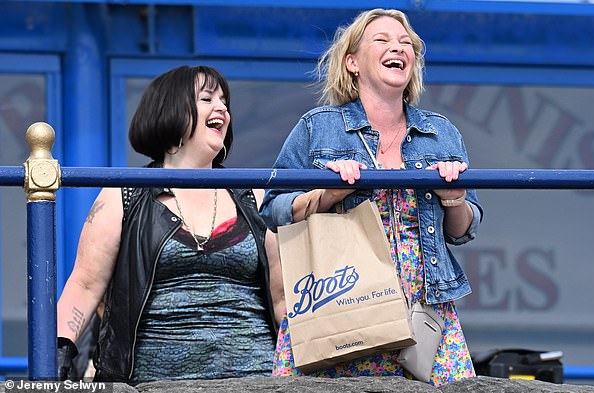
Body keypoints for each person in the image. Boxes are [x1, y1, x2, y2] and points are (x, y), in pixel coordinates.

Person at [259, 8, 483, 386]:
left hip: (424, 308)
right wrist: (326, 195)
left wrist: (454, 199)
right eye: (381, 40)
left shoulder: (442, 133)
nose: (398, 48)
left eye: (405, 43)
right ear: (352, 63)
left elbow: (463, 229)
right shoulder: (317, 127)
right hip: (341, 302)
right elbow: (273, 209)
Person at [56, 65, 285, 384]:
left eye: (224, 101)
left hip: (256, 382)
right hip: (154, 385)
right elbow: (84, 285)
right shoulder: (123, 196)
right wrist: (59, 351)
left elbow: (282, 300)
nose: (221, 107)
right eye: (207, 99)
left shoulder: (254, 197)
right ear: (171, 110)